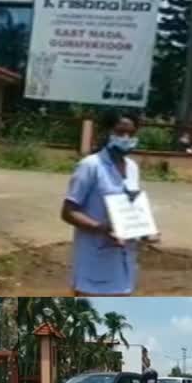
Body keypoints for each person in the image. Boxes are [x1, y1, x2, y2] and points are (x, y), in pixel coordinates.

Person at [62, 112, 157, 296]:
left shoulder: (132, 168)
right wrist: (101, 227)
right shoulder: (90, 166)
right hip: (94, 260)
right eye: (120, 132)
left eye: (131, 134)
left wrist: (144, 230)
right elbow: (68, 212)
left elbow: (133, 206)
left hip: (124, 261)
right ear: (106, 133)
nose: (126, 138)